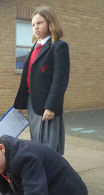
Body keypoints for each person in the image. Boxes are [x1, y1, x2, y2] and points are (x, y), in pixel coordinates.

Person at [14, 6, 70, 155]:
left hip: (47, 103)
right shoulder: (34, 48)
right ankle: (40, 170)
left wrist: (52, 106)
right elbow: (26, 78)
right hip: (33, 101)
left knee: (49, 143)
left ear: (50, 23)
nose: (35, 27)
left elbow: (60, 80)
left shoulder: (59, 47)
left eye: (40, 23)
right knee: (36, 140)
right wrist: (21, 103)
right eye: (33, 24)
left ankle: (53, 173)